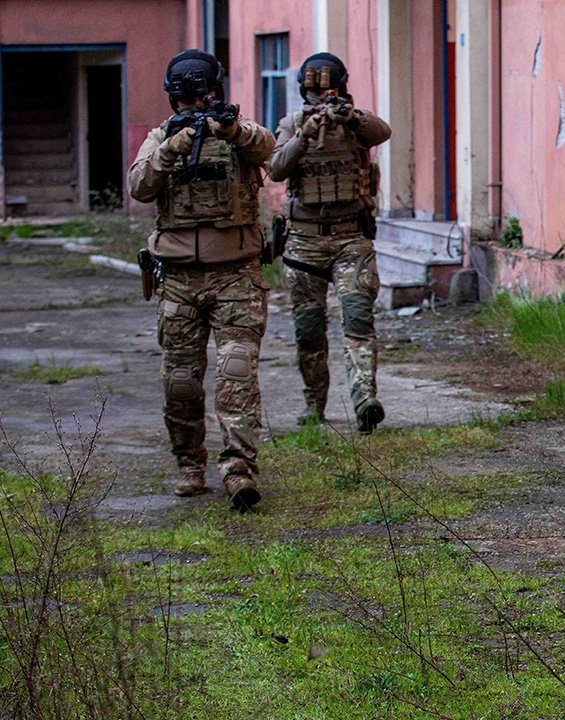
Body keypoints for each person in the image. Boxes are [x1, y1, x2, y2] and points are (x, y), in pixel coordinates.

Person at [128, 49, 274, 510]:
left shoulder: (238, 131)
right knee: (181, 381)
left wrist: (231, 130)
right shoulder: (160, 138)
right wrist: (172, 148)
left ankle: (239, 469)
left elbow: (270, 150)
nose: (193, 106)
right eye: (186, 99)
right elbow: (139, 186)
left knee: (236, 372)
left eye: (200, 97)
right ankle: (189, 464)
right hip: (179, 281)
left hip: (236, 275)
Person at [267, 52, 392, 433]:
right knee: (308, 330)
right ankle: (313, 403)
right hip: (304, 243)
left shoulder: (356, 123)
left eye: (329, 92)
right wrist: (304, 136)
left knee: (357, 318)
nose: (322, 100)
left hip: (350, 238)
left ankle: (365, 400)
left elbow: (382, 132)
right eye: (316, 94)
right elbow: (276, 169)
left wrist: (350, 117)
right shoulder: (291, 124)